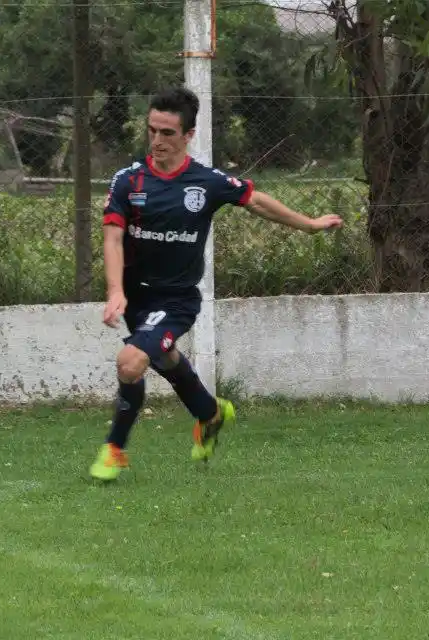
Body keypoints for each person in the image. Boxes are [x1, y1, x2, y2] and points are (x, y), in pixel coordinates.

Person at [90, 86, 343, 481]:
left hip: (176, 300)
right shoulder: (128, 181)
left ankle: (115, 449)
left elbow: (257, 200)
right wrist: (115, 291)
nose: (157, 140)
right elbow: (112, 237)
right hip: (136, 297)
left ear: (188, 136)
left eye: (167, 133)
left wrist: (309, 224)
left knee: (131, 361)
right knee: (163, 357)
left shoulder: (205, 182)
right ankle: (210, 414)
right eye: (152, 130)